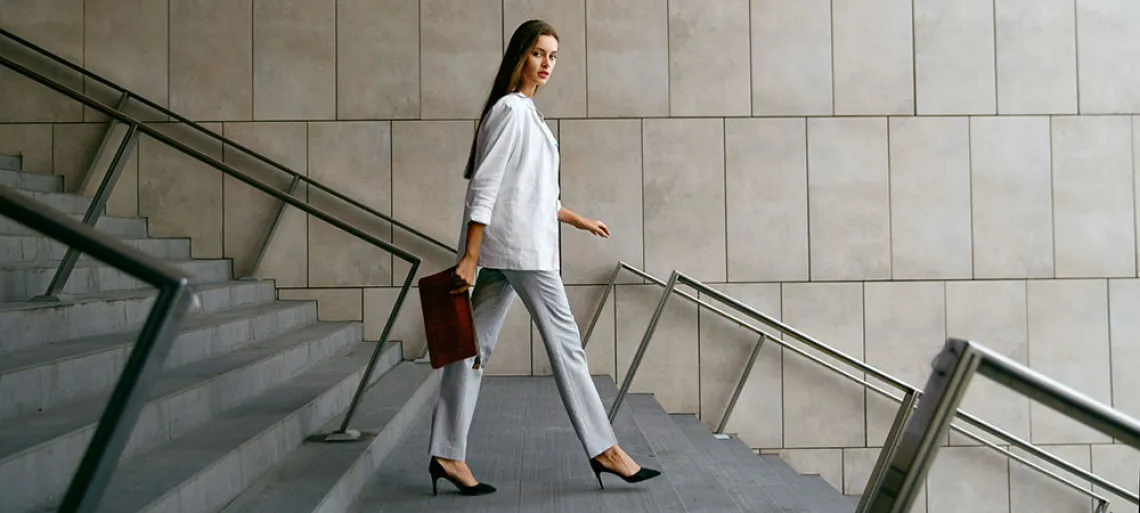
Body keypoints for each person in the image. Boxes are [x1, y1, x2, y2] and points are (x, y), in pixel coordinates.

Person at [427, 19, 662, 497]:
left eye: (553, 56)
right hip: (521, 254)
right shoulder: (513, 111)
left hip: (508, 247)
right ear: (520, 56)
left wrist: (577, 219)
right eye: (538, 53)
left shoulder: (522, 112)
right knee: (567, 347)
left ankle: (447, 454)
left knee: (471, 352)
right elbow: (486, 186)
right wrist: (469, 257)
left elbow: (531, 194)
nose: (547, 63)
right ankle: (605, 449)